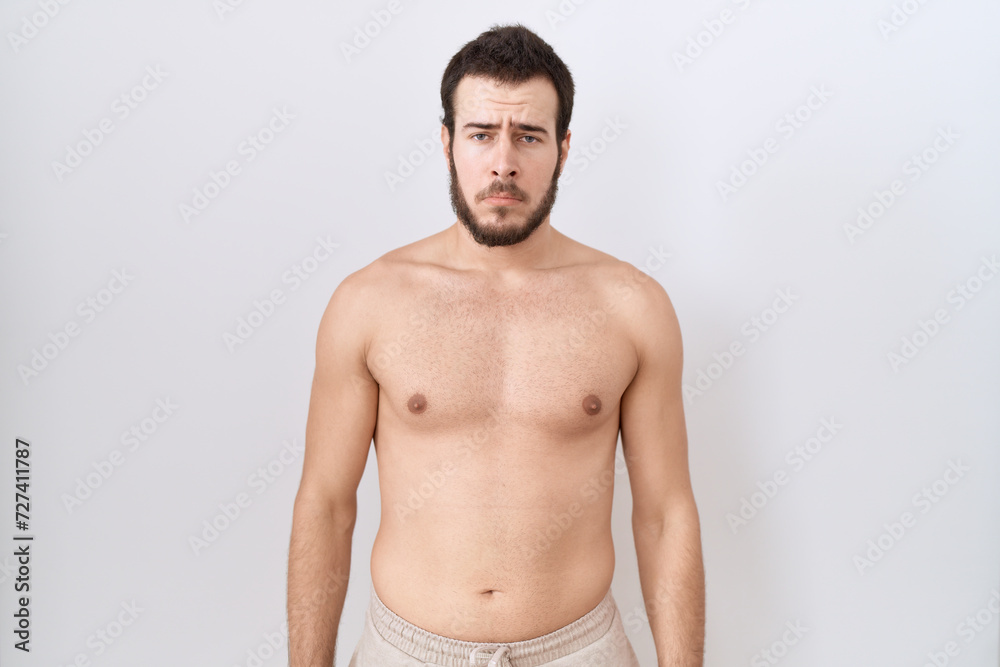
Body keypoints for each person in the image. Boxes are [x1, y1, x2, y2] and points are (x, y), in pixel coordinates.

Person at [287, 23, 705, 667]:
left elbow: (665, 513)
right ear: (448, 142)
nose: (503, 161)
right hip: (406, 651)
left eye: (528, 136)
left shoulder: (632, 306)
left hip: (579, 651)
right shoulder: (369, 302)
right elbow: (326, 504)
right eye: (482, 134)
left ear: (563, 148)